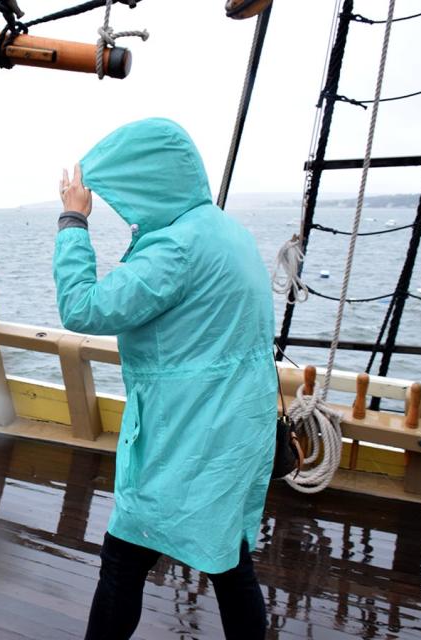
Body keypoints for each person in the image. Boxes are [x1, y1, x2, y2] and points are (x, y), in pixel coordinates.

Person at [53, 118, 275, 640]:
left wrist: (72, 221)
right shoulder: (227, 230)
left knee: (123, 558)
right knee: (229, 562)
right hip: (239, 426)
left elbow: (82, 308)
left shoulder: (174, 248)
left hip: (185, 435)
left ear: (147, 184)